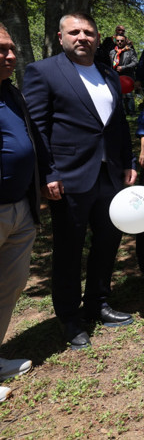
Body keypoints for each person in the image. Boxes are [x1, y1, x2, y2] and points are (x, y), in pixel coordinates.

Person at [23, 12, 136, 350]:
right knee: (69, 249)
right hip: (69, 177)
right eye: (74, 32)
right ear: (61, 37)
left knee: (108, 240)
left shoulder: (108, 74)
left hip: (109, 174)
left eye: (88, 32)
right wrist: (48, 173)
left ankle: (98, 302)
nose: (82, 37)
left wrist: (128, 162)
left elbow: (118, 124)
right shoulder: (42, 72)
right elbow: (37, 128)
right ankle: (70, 317)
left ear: (98, 38)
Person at [0, 24, 44, 398]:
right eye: (2, 49)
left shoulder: (12, 93)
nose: (11, 56)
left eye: (12, 48)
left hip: (20, 207)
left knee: (9, 286)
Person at [110, 34, 138, 115]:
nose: (120, 42)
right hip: (116, 76)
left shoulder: (130, 51)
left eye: (122, 41)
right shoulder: (112, 52)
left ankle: (131, 112)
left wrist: (124, 67)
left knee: (129, 95)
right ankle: (122, 112)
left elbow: (135, 62)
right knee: (118, 95)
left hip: (128, 76)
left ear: (125, 41)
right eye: (118, 40)